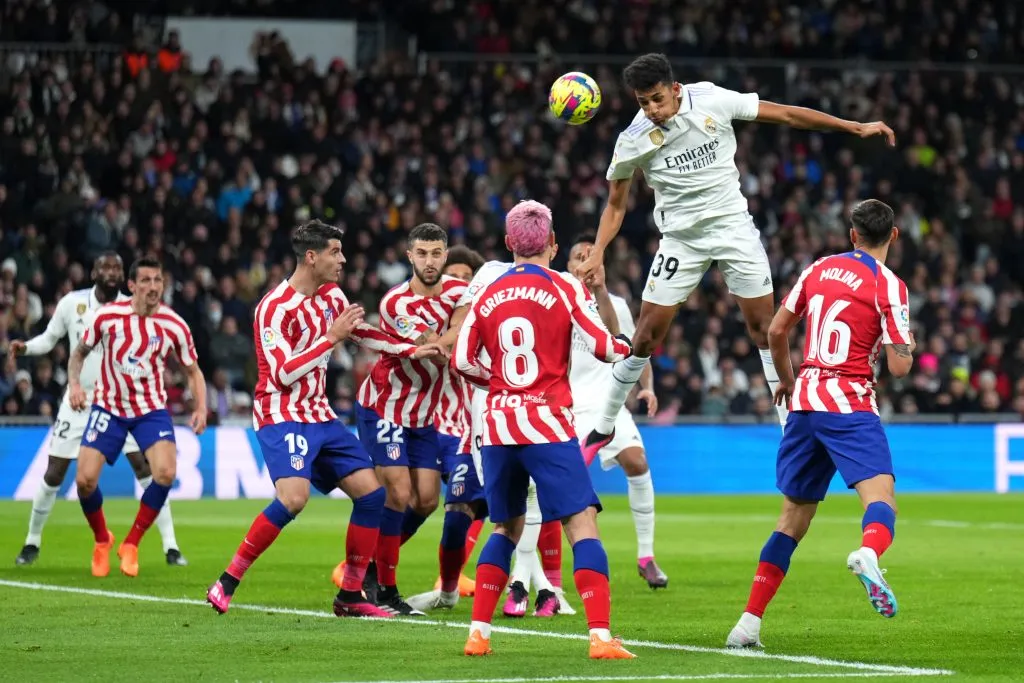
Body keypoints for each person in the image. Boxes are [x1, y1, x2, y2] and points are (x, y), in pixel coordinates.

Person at [575, 52, 896, 461]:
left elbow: (785, 115)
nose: (652, 110)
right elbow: (616, 206)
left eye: (657, 99)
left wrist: (852, 126)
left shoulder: (712, 100)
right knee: (645, 337)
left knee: (764, 328)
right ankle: (602, 426)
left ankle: (790, 429)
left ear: (675, 90)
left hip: (733, 230)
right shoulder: (632, 140)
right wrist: (599, 250)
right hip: (680, 240)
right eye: (643, 102)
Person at [206, 220, 444, 617]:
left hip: (320, 414)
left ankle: (350, 596)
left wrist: (409, 350)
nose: (343, 259)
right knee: (294, 499)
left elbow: (362, 333)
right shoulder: (272, 308)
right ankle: (228, 579)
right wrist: (331, 337)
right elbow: (282, 374)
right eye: (336, 251)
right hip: (282, 414)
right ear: (312, 257)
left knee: (373, 496)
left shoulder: (332, 296)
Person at [725, 200, 913, 648]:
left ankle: (747, 624)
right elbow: (900, 367)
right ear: (894, 236)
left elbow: (775, 331)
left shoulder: (819, 269)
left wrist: (788, 382)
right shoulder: (889, 285)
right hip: (848, 403)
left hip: (805, 401)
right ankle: (868, 553)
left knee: (791, 519)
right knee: (882, 499)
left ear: (852, 235)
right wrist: (903, 344)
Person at [453, 200, 635, 659]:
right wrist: (627, 346)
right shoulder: (564, 285)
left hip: (496, 425)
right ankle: (600, 637)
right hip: (547, 423)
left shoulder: (488, 291)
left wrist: (495, 385)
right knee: (582, 523)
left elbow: (459, 360)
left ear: (509, 244)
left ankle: (479, 634)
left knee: (505, 527)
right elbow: (601, 347)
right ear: (552, 245)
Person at [8, 252, 187, 567]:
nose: (111, 271)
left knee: (148, 470)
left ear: (125, 277)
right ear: (93, 271)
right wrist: (26, 348)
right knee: (55, 472)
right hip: (79, 401)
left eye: (117, 267)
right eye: (105, 266)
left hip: (123, 401)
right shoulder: (72, 303)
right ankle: (31, 542)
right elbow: (50, 339)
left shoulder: (136, 305)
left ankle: (171, 546)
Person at [351, 222, 467, 616]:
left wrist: (452, 333)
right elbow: (428, 344)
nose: (430, 261)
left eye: (436, 253)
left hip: (422, 415)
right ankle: (385, 589)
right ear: (409, 256)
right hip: (385, 406)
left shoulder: (458, 291)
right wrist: (450, 336)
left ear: (446, 255)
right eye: (422, 253)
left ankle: (369, 566)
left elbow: (461, 324)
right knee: (398, 494)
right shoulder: (396, 303)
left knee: (428, 500)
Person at [68, 257, 207, 578]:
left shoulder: (174, 324)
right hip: (109, 407)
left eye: (158, 280)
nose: (153, 287)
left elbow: (193, 371)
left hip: (151, 411)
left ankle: (131, 544)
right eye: (146, 281)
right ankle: (103, 539)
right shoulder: (107, 317)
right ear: (131, 286)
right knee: (84, 482)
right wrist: (75, 385)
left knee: (165, 473)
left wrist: (201, 407)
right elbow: (78, 355)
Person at [566, 234, 667, 589]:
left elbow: (630, 346)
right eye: (579, 256)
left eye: (592, 256)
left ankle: (646, 557)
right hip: (572, 405)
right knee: (569, 484)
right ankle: (552, 570)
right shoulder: (558, 301)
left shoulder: (616, 303)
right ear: (569, 266)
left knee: (638, 462)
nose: (586, 261)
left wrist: (647, 386)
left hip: (609, 402)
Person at [405, 245, 490, 611]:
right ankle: (371, 567)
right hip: (437, 425)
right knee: (432, 507)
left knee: (470, 511)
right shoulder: (422, 320)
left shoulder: (489, 318)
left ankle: (539, 587)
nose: (460, 284)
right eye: (453, 277)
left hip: (480, 427)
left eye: (467, 278)